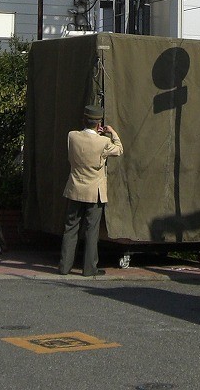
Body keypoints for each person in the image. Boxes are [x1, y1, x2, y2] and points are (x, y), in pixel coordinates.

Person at [59, 103, 122, 277]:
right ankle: (89, 268)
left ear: (83, 120)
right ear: (98, 123)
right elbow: (119, 150)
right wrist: (112, 133)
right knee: (91, 230)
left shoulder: (72, 136)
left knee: (70, 228)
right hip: (95, 192)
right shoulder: (104, 142)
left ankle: (64, 267)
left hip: (74, 188)